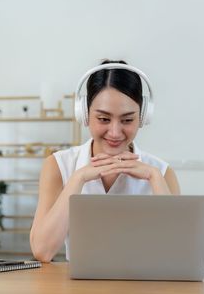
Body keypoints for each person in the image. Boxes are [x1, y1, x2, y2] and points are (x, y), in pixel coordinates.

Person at [30, 60, 181, 263]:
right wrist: (79, 177)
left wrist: (154, 178)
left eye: (127, 120)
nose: (115, 132)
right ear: (84, 114)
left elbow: (177, 253)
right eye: (103, 119)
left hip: (144, 288)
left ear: (143, 117)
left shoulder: (162, 172)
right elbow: (42, 251)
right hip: (79, 289)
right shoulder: (58, 165)